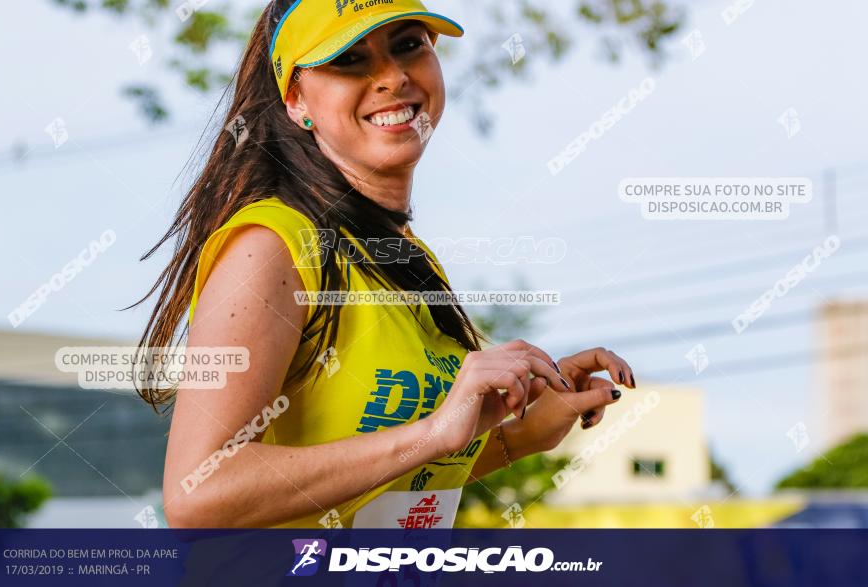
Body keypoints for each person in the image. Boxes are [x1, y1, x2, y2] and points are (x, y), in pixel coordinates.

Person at [133, 0, 636, 528]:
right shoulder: (273, 246)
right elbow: (201, 494)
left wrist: (517, 437)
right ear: (297, 100)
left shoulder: (405, 257)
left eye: (408, 45)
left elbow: (390, 481)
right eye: (350, 59)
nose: (393, 77)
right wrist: (433, 431)